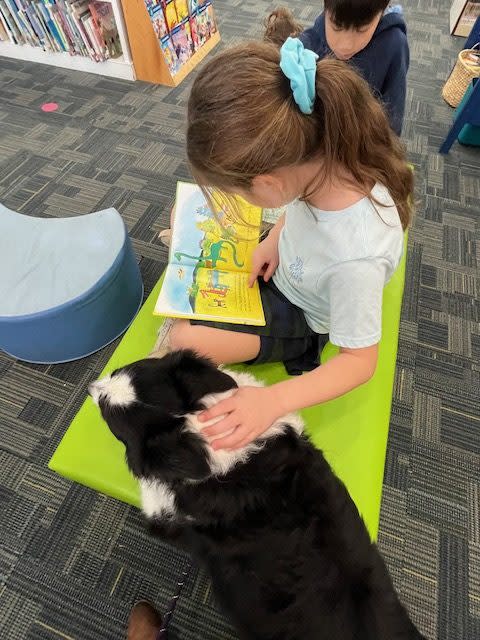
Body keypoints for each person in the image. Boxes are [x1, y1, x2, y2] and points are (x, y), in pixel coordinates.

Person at [156, 37, 412, 452]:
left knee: (184, 340)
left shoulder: (355, 260)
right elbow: (296, 211)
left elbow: (360, 363)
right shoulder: (323, 152)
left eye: (242, 191)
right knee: (185, 220)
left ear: (269, 184)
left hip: (304, 319)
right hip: (288, 263)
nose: (239, 199)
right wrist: (274, 239)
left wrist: (272, 401)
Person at [265, 2, 409, 136]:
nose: (345, 45)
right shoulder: (309, 44)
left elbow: (392, 121)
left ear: (381, 13)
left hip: (362, 149)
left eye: (361, 30)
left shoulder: (395, 44)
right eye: (337, 27)